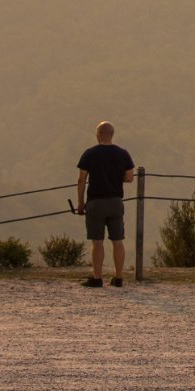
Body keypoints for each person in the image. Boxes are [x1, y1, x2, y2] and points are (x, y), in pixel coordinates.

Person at [75, 121, 135, 288]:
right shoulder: (123, 154)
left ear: (99, 135)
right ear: (112, 134)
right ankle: (118, 277)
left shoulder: (90, 153)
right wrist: (116, 177)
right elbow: (130, 177)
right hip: (116, 202)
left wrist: (81, 203)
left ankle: (97, 277)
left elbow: (81, 179)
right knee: (117, 240)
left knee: (97, 241)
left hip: (96, 202)